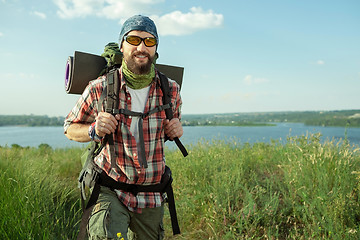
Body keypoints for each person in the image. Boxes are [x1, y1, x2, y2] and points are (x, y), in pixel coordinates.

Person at [64, 15, 183, 240]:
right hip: (111, 189)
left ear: (156, 48)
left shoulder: (171, 89)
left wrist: (175, 129)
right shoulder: (99, 88)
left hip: (151, 192)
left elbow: (169, 126)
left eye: (149, 41)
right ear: (122, 45)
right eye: (134, 39)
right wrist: (93, 130)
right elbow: (70, 128)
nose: (141, 47)